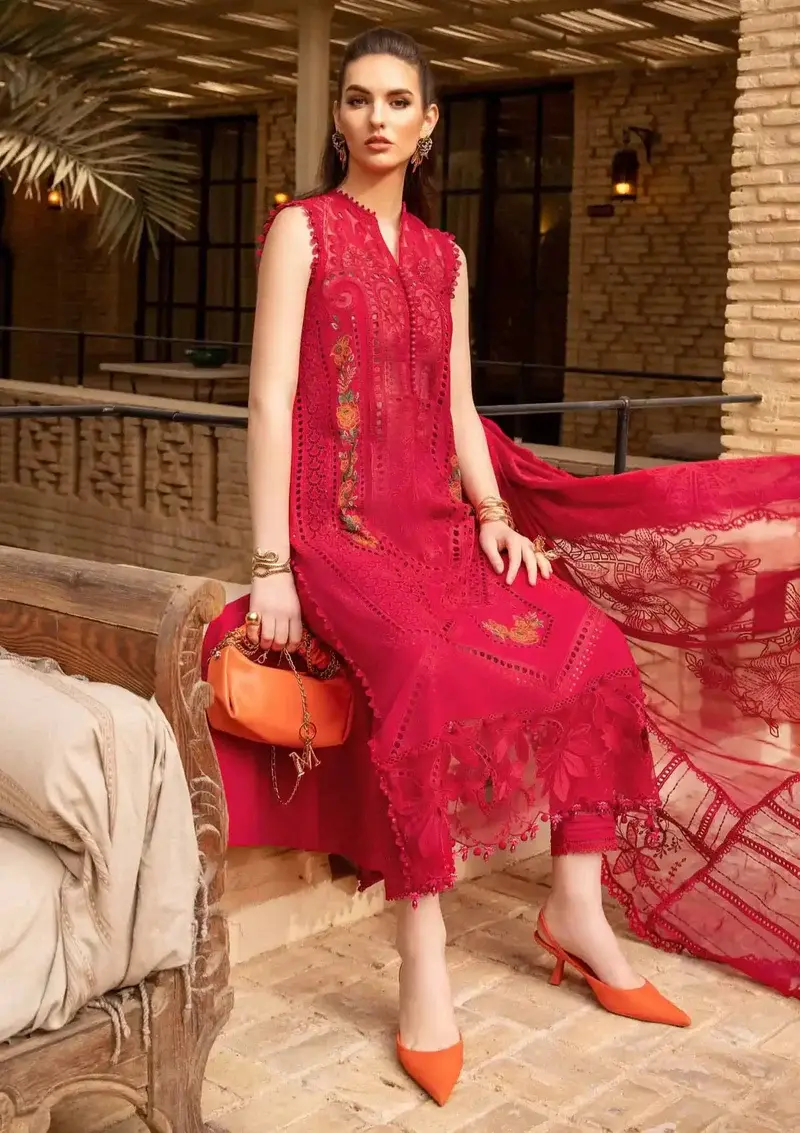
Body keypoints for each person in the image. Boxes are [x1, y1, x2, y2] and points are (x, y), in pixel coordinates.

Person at [203, 26, 800, 1107]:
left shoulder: (445, 258)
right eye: (357, 98)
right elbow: (268, 399)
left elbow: (455, 401)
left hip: (436, 525)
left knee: (592, 645)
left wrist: (490, 513)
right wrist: (272, 565)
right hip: (337, 532)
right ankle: (422, 955)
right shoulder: (302, 230)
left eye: (398, 101)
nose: (376, 117)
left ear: (428, 123)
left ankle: (576, 909)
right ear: (338, 116)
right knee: (425, 677)